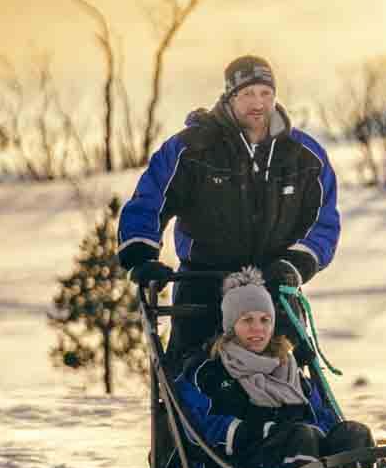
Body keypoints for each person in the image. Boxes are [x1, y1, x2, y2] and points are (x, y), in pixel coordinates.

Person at [116, 55, 341, 370]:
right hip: (202, 281)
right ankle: (209, 417)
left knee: (287, 372)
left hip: (273, 283)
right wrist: (141, 255)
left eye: (265, 93)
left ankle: (296, 420)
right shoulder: (192, 148)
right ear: (230, 97)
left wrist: (298, 262)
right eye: (247, 94)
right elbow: (150, 198)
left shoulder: (304, 156)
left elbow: (323, 220)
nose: (258, 103)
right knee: (193, 370)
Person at [173, 268, 374, 468]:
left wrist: (337, 439)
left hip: (301, 455)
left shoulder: (288, 367)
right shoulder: (208, 370)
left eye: (265, 320)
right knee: (302, 436)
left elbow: (320, 417)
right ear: (231, 325)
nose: (258, 329)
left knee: (354, 434)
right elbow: (198, 427)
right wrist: (254, 431)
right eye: (247, 320)